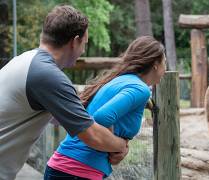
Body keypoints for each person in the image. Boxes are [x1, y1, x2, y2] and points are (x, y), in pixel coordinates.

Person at [0, 5, 128, 180]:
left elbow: (61, 118)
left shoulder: (24, 61)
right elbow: (91, 135)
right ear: (75, 42)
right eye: (85, 43)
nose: (83, 50)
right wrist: (121, 145)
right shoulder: (47, 76)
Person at [44, 36, 167, 180]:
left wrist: (118, 147)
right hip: (77, 171)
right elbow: (102, 117)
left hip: (66, 168)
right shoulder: (140, 89)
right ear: (155, 64)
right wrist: (115, 146)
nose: (166, 69)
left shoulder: (121, 80)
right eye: (165, 62)